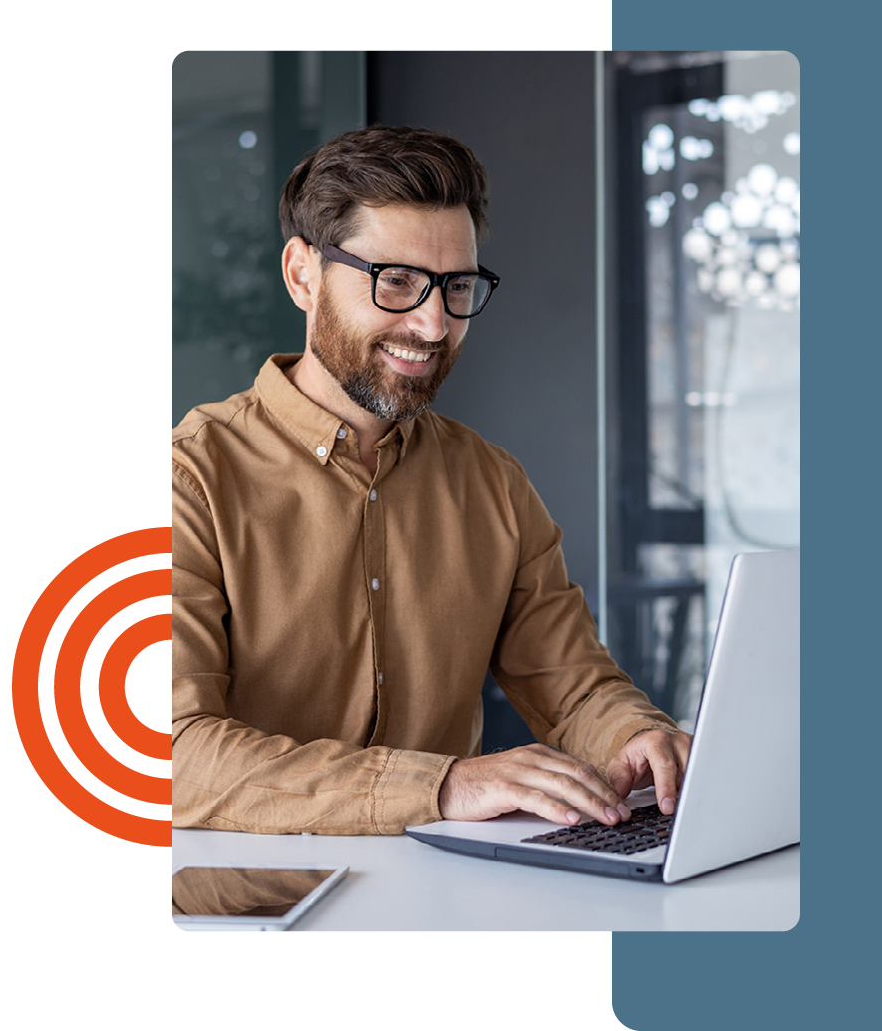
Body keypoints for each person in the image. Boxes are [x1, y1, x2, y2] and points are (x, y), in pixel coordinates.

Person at [172, 125, 692, 836]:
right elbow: (169, 755)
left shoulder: (494, 484)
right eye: (396, 281)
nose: (433, 323)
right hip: (243, 910)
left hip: (439, 900)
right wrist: (439, 785)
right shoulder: (189, 481)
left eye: (457, 287)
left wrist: (636, 736)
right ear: (302, 275)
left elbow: (574, 688)